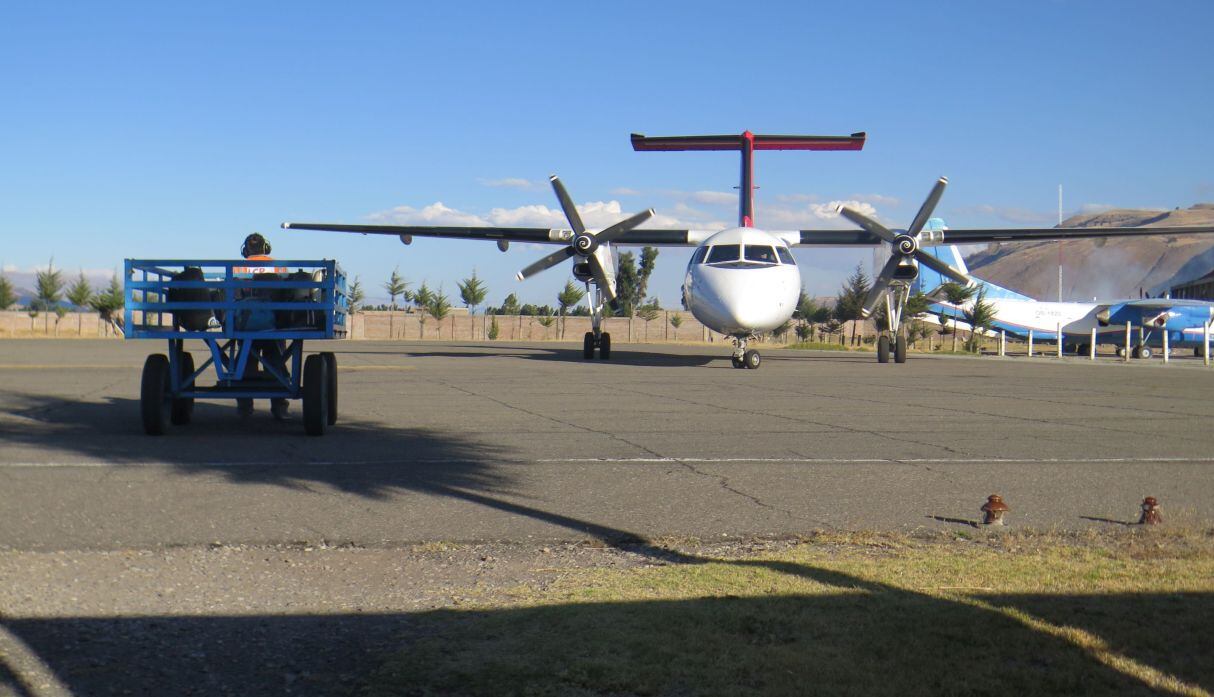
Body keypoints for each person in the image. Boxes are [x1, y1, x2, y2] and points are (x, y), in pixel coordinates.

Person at [234, 233, 290, 420]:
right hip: (273, 323)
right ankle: (279, 406)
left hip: (246, 324)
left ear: (245, 250)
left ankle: (244, 407)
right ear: (266, 247)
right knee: (276, 360)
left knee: (246, 360)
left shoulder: (237, 269)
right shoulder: (278, 266)